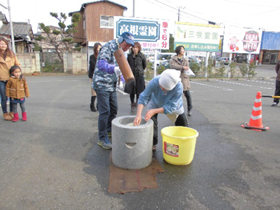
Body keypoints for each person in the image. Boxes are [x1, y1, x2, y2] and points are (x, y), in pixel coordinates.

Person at [92, 32, 134, 150]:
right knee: (105, 112)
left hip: (111, 85)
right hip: (101, 84)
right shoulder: (108, 47)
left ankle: (109, 130)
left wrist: (121, 80)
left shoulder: (121, 51)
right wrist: (113, 69)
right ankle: (102, 138)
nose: (127, 48)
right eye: (126, 45)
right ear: (121, 40)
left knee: (114, 109)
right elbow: (101, 64)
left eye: (130, 46)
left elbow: (120, 68)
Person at [133, 69, 189, 150]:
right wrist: (138, 115)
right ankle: (153, 143)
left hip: (174, 106)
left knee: (183, 125)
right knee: (151, 122)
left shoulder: (178, 87)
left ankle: (184, 143)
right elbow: (144, 96)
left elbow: (171, 106)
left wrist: (154, 111)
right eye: (161, 85)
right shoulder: (155, 81)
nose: (161, 88)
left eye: (165, 88)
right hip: (156, 102)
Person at [0, 37, 20, 121]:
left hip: (11, 79)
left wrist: (17, 73)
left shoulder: (11, 54)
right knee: (4, 97)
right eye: (1, 44)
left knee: (12, 96)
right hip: (1, 79)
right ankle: (5, 113)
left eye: (4, 44)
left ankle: (12, 112)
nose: (3, 45)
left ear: (7, 45)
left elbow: (17, 64)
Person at [170, 45, 193, 116]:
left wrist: (187, 68)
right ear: (179, 50)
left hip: (184, 78)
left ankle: (189, 109)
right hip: (176, 78)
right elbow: (172, 66)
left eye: (183, 49)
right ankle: (172, 109)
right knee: (174, 95)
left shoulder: (185, 59)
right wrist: (183, 67)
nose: (183, 51)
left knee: (188, 95)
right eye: (182, 49)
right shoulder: (173, 59)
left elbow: (187, 67)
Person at [127, 41, 147, 111]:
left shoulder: (141, 56)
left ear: (139, 48)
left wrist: (140, 70)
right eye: (133, 47)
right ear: (131, 48)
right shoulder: (129, 56)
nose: (135, 49)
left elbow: (144, 65)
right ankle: (132, 103)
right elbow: (127, 65)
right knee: (131, 91)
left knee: (139, 91)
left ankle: (138, 103)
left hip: (139, 75)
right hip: (131, 76)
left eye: (136, 47)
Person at [88, 42, 101, 112]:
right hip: (94, 76)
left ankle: (98, 105)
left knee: (100, 91)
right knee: (94, 92)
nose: (99, 49)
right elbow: (93, 66)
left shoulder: (102, 57)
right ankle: (92, 104)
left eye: (100, 48)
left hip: (101, 76)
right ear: (95, 49)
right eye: (98, 48)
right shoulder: (92, 57)